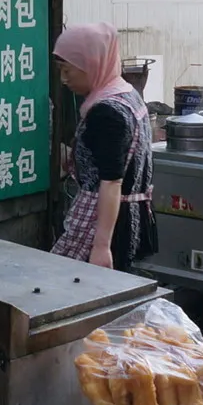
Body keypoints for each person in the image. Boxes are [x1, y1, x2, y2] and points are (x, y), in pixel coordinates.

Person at [52, 22, 154, 270]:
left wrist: (101, 246)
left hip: (108, 225)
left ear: (92, 64)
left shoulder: (106, 112)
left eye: (68, 70)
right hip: (130, 217)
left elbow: (112, 181)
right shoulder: (126, 92)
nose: (64, 79)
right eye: (60, 71)